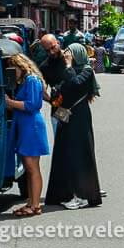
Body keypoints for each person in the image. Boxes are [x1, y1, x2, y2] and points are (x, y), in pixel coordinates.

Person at [45, 44, 103, 209]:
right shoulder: (67, 68)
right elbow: (64, 87)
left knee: (79, 154)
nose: (66, 55)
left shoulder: (86, 70)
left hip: (79, 116)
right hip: (65, 115)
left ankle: (83, 195)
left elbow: (76, 84)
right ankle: (65, 193)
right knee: (64, 153)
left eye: (69, 52)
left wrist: (69, 66)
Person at [5, 53, 51, 217]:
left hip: (31, 126)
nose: (12, 72)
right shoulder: (28, 80)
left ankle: (35, 204)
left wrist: (10, 102)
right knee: (29, 168)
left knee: (32, 168)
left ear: (20, 66)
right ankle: (32, 202)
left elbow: (33, 104)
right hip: (26, 126)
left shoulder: (31, 80)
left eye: (13, 68)